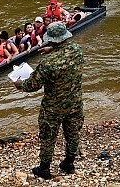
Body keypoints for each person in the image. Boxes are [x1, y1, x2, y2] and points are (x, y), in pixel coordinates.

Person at [13, 22, 84, 180]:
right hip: (75, 103)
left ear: (50, 39)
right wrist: (52, 50)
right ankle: (69, 163)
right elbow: (65, 53)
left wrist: (18, 84)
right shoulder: (77, 51)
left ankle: (44, 168)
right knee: (73, 134)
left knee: (48, 136)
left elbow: (32, 85)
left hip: (53, 107)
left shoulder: (48, 63)